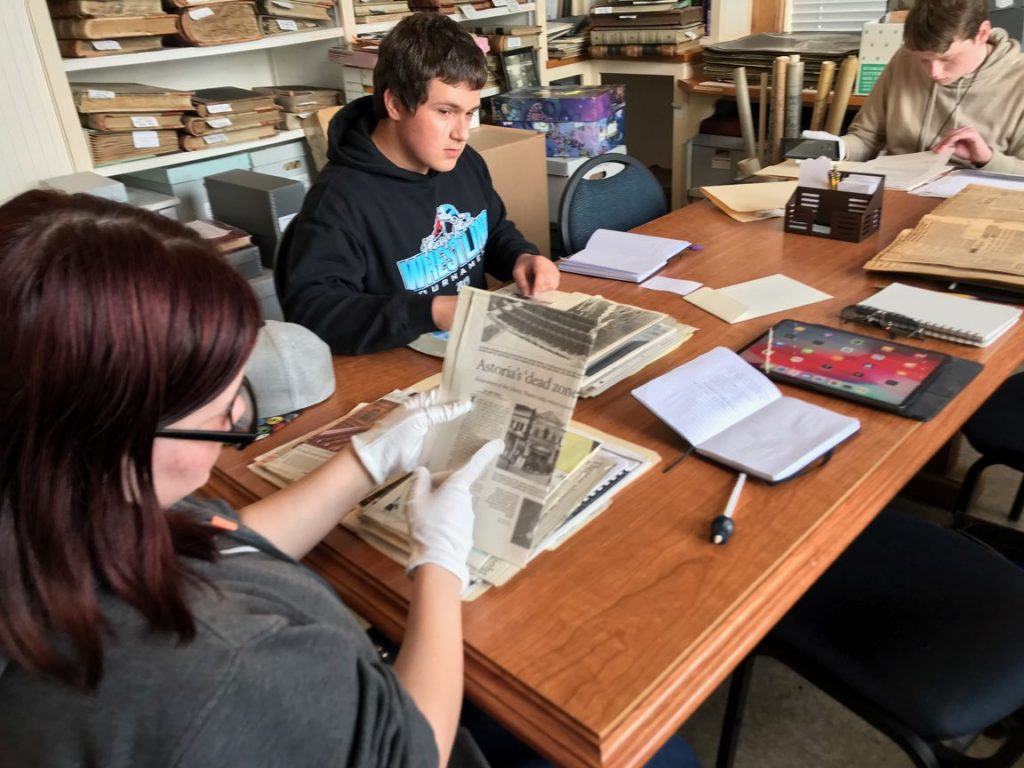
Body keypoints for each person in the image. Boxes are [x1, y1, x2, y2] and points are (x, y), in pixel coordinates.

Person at [0, 190, 503, 766]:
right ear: (115, 437)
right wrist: (440, 563)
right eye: (221, 411)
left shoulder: (61, 511)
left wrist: (365, 461)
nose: (236, 418)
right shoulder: (225, 666)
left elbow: (214, 541)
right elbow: (415, 749)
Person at [276, 13, 561, 356]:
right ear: (395, 103)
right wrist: (431, 313)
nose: (462, 132)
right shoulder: (338, 202)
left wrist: (521, 256)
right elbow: (314, 313)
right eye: (445, 112)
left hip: (473, 351)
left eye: (469, 113)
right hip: (393, 371)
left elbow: (493, 229)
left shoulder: (464, 162)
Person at [810, 0, 1024, 172]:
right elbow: (867, 138)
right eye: (923, 60)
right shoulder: (905, 58)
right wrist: (838, 148)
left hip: (978, 202)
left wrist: (986, 158)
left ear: (982, 33)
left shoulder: (1018, 79)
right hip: (898, 192)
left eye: (947, 59)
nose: (934, 73)